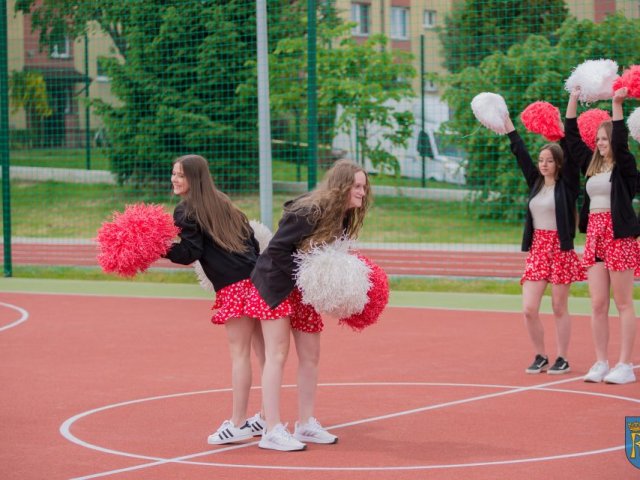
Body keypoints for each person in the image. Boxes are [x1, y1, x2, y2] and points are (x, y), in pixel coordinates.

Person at [245, 159, 371, 451]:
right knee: (277, 355)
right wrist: (311, 273)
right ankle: (271, 429)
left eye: (364, 187)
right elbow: (276, 249)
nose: (363, 192)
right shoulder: (307, 212)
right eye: (357, 186)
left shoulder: (341, 216)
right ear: (341, 186)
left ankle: (305, 424)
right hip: (274, 286)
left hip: (302, 291)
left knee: (311, 355)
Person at [164, 154, 267, 443]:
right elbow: (251, 239)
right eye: (173, 173)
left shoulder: (185, 211)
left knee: (240, 355)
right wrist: (255, 272)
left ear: (194, 178)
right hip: (256, 281)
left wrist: (159, 247)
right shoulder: (221, 200)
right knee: (263, 354)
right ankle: (266, 417)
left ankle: (237, 423)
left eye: (180, 175)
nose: (174, 179)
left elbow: (189, 253)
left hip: (234, 287)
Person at [565, 87, 640, 384]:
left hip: (619, 235)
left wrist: (616, 104)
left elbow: (621, 143)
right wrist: (573, 96)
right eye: (597, 140)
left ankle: (624, 365)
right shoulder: (591, 166)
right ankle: (600, 361)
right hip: (595, 235)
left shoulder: (626, 168)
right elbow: (571, 139)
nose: (600, 144)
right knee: (598, 303)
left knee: (623, 302)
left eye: (604, 139)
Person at [504, 106, 585, 376]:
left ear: (558, 164)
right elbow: (520, 154)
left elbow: (572, 156)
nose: (543, 164)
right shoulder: (536, 183)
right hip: (538, 249)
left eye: (549, 160)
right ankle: (540, 355)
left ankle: (562, 358)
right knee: (529, 308)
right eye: (541, 160)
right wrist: (508, 125)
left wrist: (561, 131)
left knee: (559, 307)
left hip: (560, 250)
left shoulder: (568, 184)